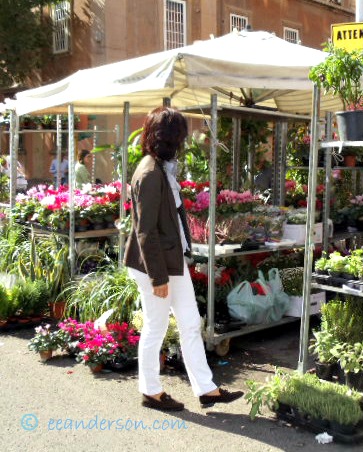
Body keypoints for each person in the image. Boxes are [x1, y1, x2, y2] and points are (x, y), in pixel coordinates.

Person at [124, 107, 243, 412]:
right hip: (157, 266)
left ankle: (206, 389)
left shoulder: (161, 169)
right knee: (156, 327)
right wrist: (158, 277)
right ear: (170, 139)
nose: (182, 143)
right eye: (180, 137)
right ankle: (150, 391)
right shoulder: (151, 173)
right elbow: (145, 231)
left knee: (190, 323)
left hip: (171, 261)